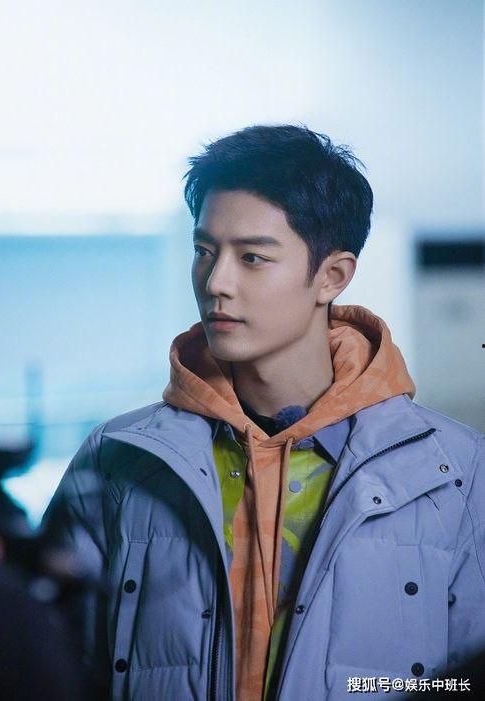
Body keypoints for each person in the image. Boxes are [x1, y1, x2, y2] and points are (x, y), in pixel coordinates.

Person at [43, 125, 485, 701]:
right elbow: (50, 667)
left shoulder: (456, 471)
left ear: (332, 276)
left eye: (252, 257)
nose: (216, 282)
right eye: (204, 252)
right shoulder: (119, 459)